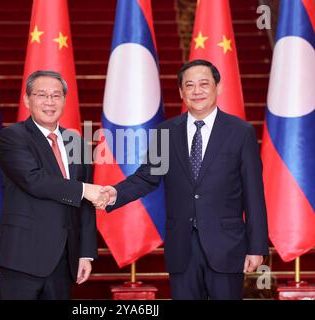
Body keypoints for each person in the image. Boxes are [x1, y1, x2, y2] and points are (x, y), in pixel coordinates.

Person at [100, 59, 269, 299]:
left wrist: (257, 247)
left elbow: (254, 194)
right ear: (181, 91)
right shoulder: (165, 132)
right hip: (182, 247)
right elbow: (147, 177)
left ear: (218, 87)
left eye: (204, 84)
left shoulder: (240, 132)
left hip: (227, 246)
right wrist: (113, 193)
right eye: (189, 86)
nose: (197, 91)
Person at [0, 70, 106, 299]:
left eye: (56, 96)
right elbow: (33, 180)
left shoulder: (77, 142)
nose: (49, 102)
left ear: (64, 100)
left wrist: (85, 253)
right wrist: (84, 189)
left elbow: (85, 205)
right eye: (41, 95)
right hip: (21, 256)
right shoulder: (13, 136)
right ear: (27, 99)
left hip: (64, 259)